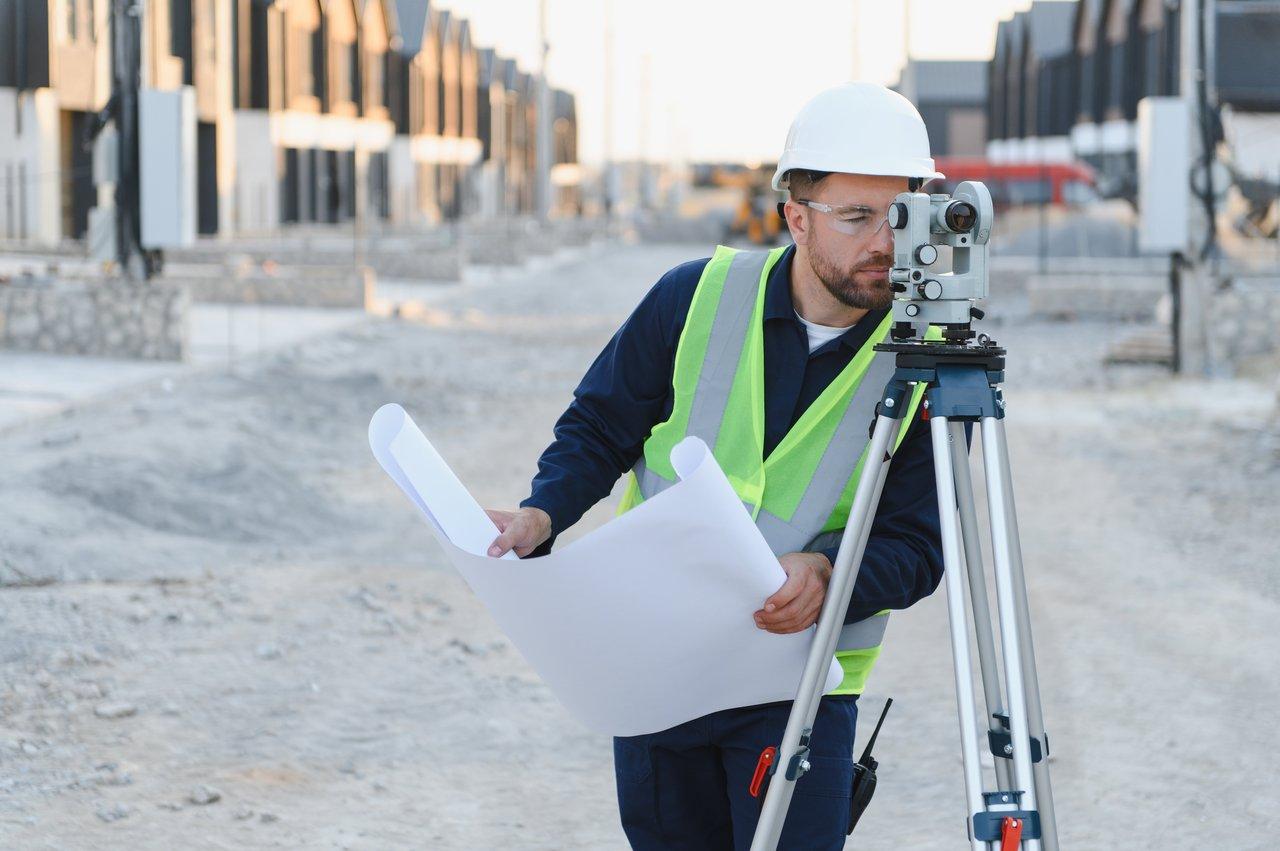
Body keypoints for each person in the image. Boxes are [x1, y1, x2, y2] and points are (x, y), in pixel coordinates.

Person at [485, 83, 946, 850]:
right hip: (659, 661)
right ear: (796, 216)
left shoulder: (927, 358)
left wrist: (830, 571)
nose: (884, 242)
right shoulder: (691, 298)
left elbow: (921, 545)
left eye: (899, 215)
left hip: (798, 682)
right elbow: (601, 425)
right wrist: (544, 511)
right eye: (857, 216)